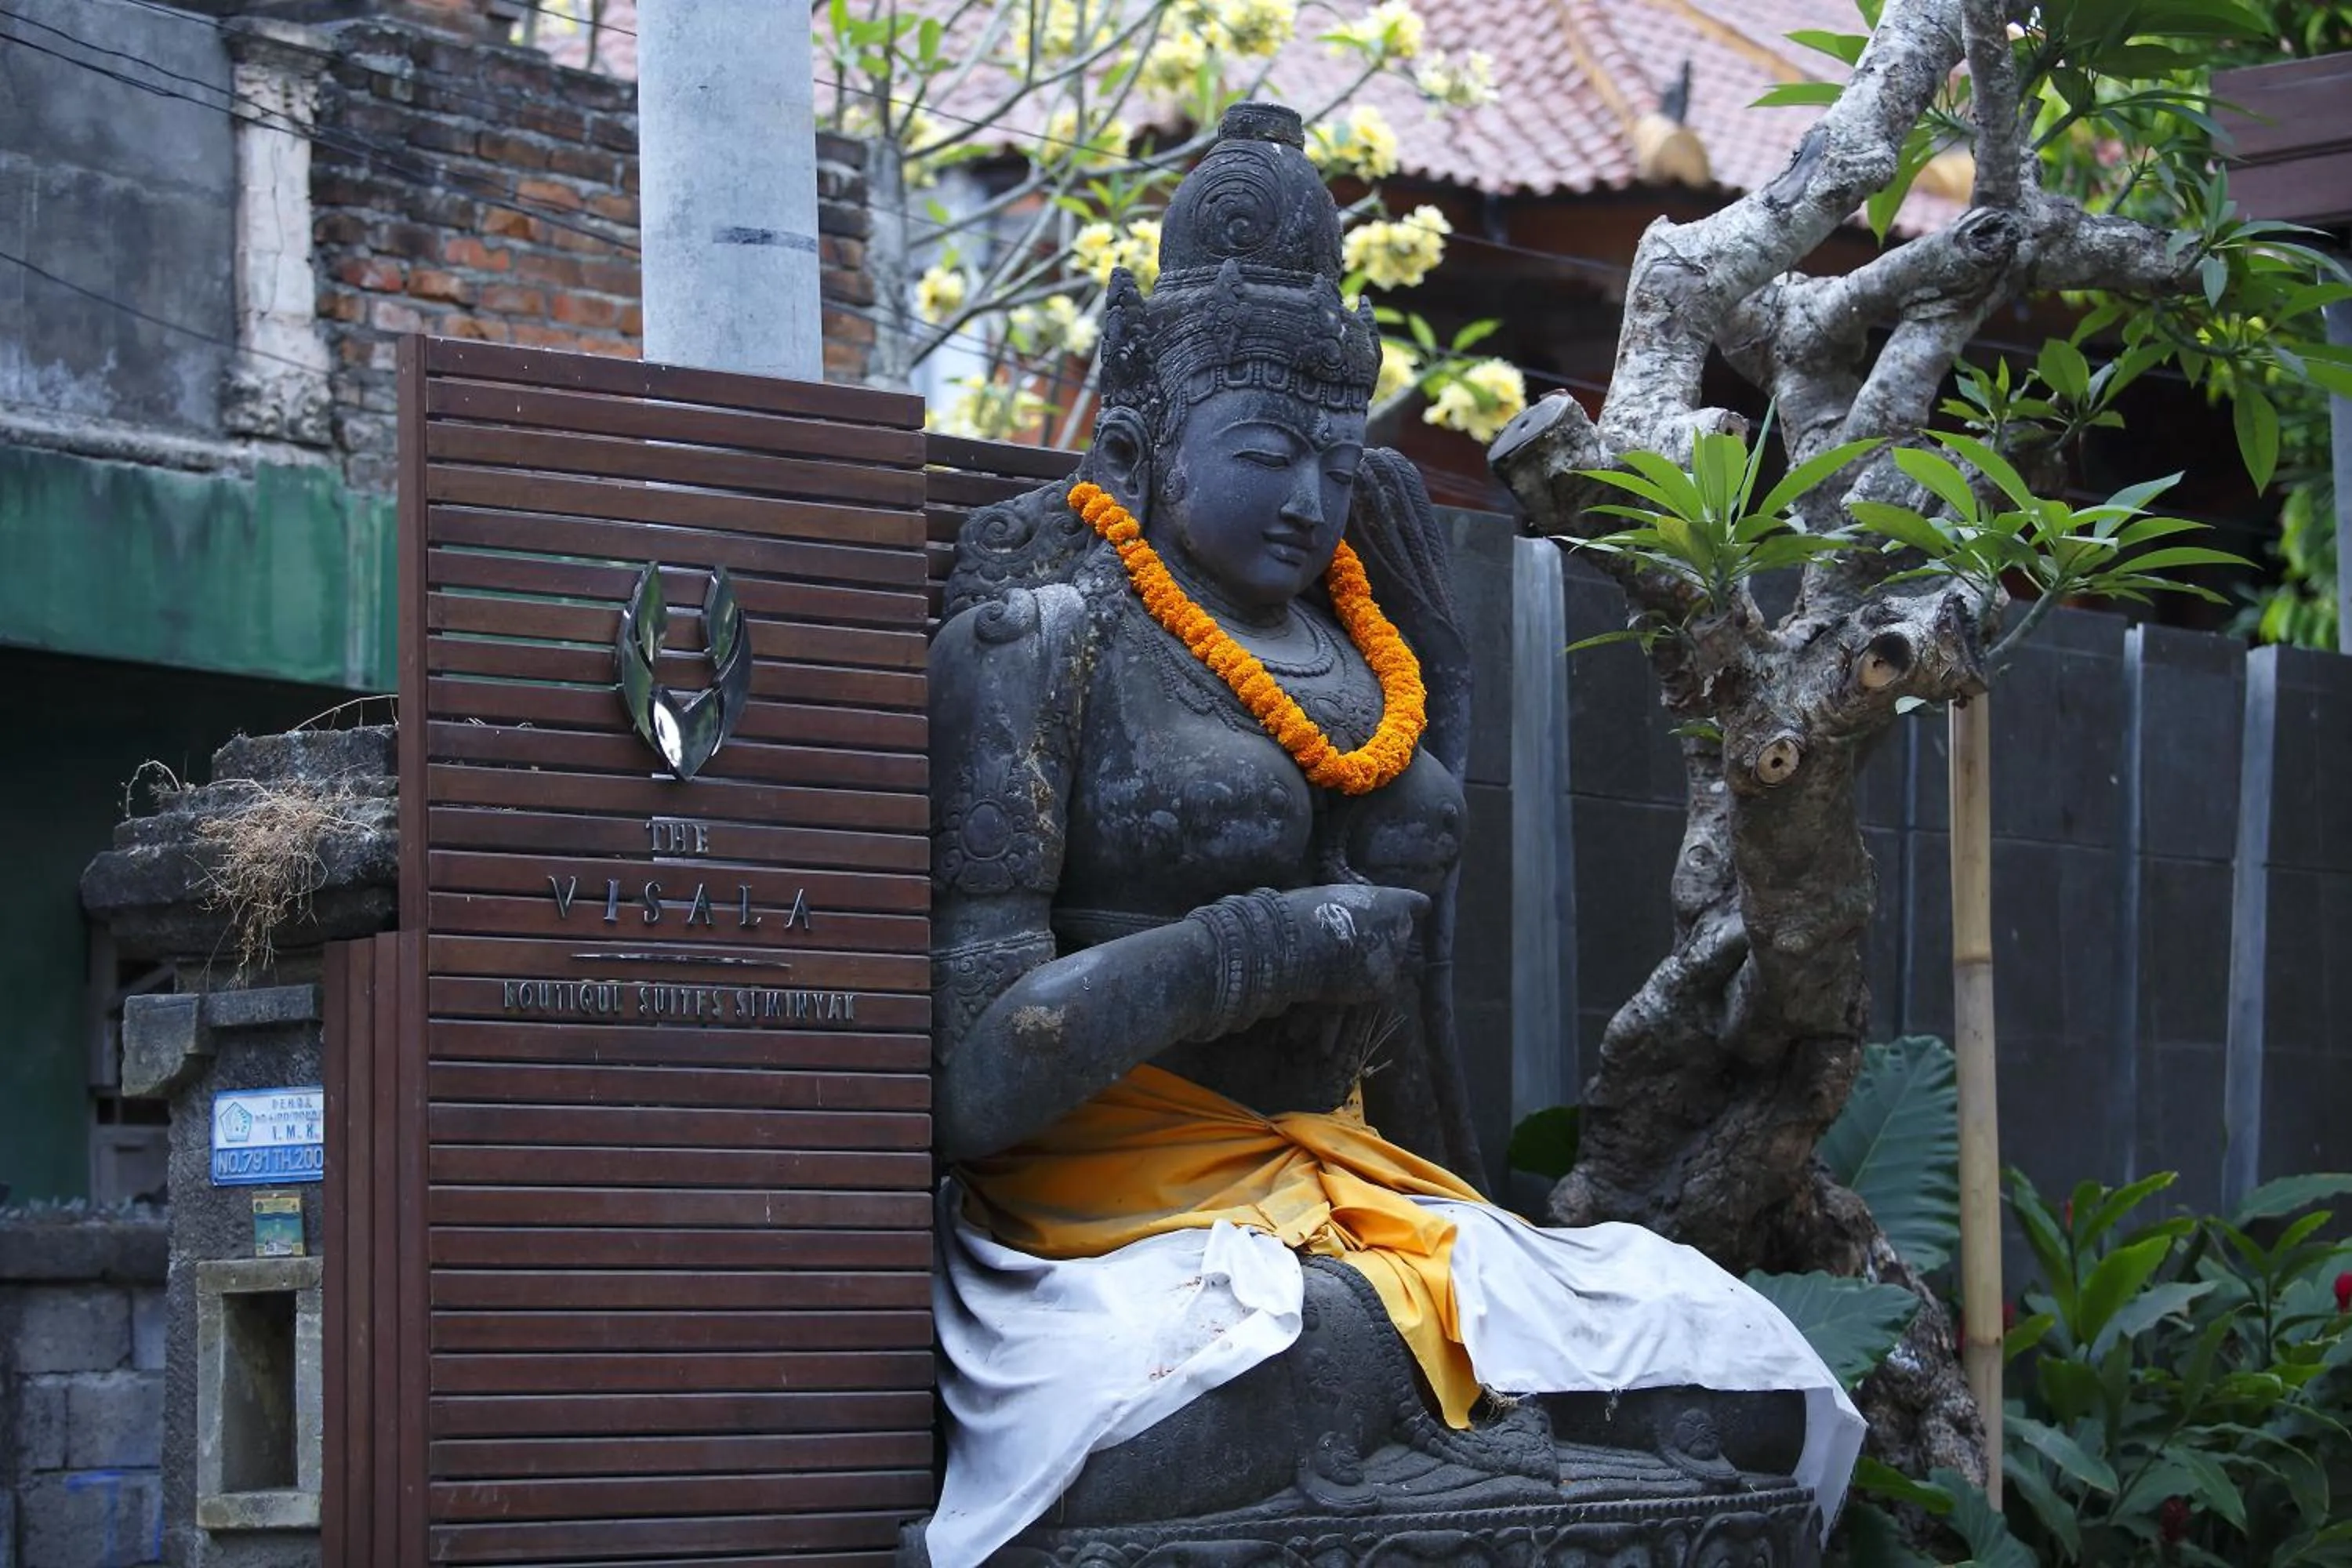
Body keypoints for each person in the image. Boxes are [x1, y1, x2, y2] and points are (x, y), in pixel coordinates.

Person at [919, 102, 1861, 1568]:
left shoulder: (1377, 645)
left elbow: (1409, 1004)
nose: (1310, 496)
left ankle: (1436, 1443)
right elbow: (975, 1078)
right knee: (1299, 1357)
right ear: (1149, 432)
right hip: (1113, 1221)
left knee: (1716, 1353)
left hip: (1359, 1189)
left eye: (1338, 455)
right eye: (1265, 450)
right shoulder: (1045, 635)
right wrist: (1250, 949)